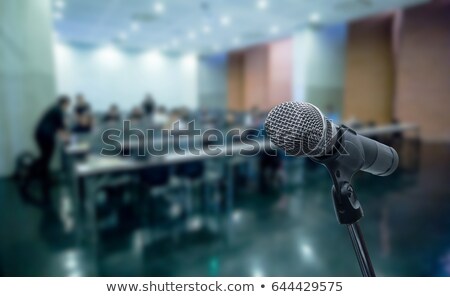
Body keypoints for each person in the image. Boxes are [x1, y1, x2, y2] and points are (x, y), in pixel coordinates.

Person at [34, 96, 70, 186]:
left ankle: (43, 177)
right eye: (68, 105)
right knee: (46, 157)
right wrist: (67, 139)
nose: (68, 107)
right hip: (46, 135)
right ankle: (39, 176)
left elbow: (59, 127)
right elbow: (62, 127)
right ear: (65, 103)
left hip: (41, 134)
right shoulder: (58, 110)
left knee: (45, 157)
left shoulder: (54, 109)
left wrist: (64, 134)